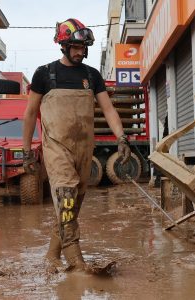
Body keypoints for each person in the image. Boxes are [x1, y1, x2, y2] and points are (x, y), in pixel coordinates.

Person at [22, 18, 131, 273]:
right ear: (63, 45)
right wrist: (26, 151)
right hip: (57, 148)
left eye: (84, 48)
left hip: (84, 149)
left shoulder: (91, 76)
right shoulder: (44, 74)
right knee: (66, 198)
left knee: (70, 207)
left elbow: (108, 109)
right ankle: (76, 263)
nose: (81, 52)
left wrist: (122, 138)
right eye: (76, 47)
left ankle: (51, 255)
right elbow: (29, 114)